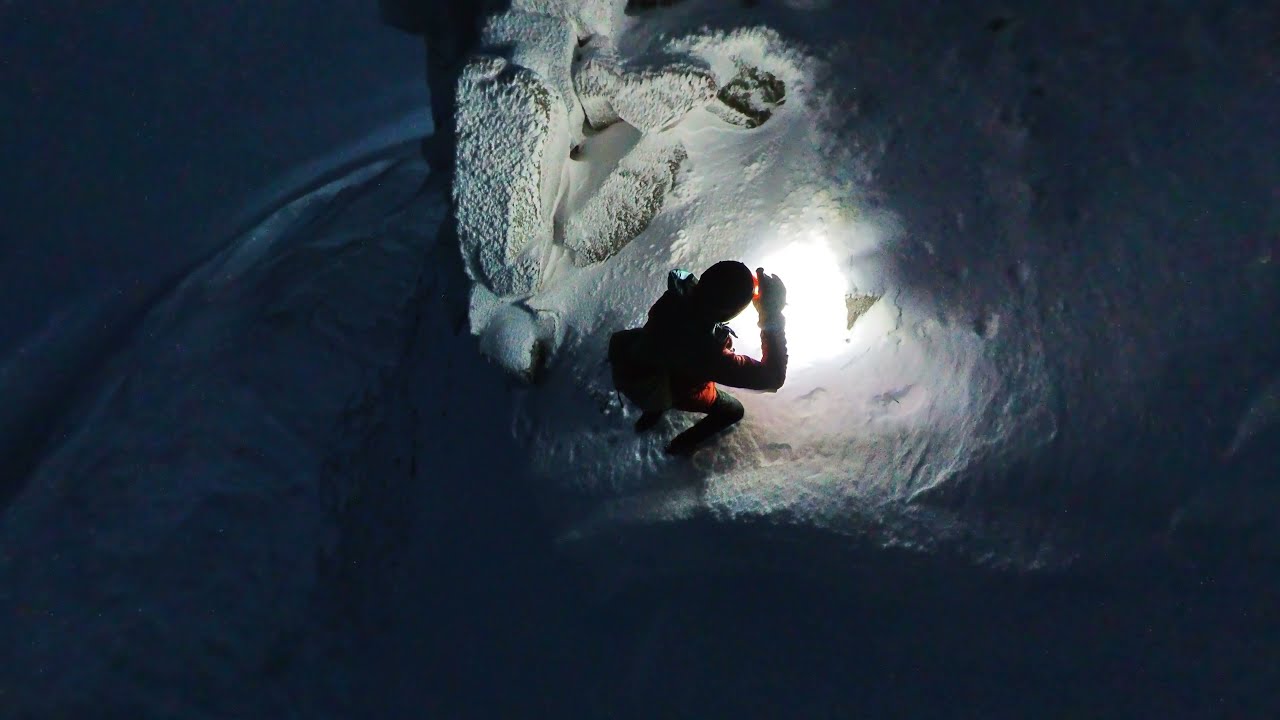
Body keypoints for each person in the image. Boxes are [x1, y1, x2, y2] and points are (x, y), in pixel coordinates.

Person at [609, 260, 788, 456]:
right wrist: (771, 316)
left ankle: (653, 411)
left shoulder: (676, 294)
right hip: (681, 387)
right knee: (734, 411)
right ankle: (679, 445)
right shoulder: (708, 353)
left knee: (657, 388)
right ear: (729, 312)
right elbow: (772, 378)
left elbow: (714, 292)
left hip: (647, 359)